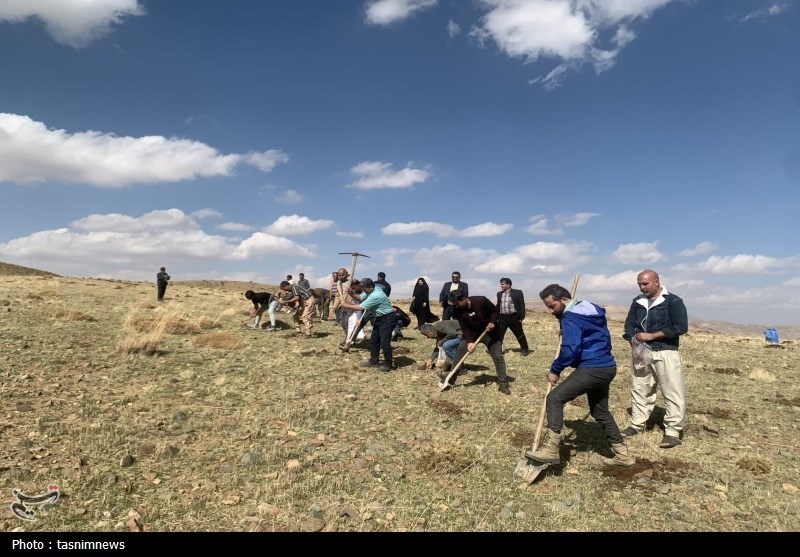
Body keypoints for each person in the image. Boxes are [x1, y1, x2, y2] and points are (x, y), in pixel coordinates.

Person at [525, 284, 634, 467]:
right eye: (547, 307)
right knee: (600, 411)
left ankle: (551, 450)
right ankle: (623, 456)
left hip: (592, 368)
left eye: (552, 306)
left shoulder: (570, 318)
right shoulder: (589, 309)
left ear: (564, 300)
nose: (550, 311)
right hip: (607, 366)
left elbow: (571, 350)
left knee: (554, 399)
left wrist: (555, 369)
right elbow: (587, 334)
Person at [621, 269, 689, 449]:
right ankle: (637, 424)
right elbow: (629, 323)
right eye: (639, 284)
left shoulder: (673, 301)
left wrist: (652, 336)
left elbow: (681, 326)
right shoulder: (638, 302)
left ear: (657, 282)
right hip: (641, 352)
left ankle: (673, 432)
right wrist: (631, 340)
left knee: (673, 390)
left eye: (645, 284)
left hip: (666, 350)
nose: (642, 287)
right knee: (640, 387)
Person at [446, 291, 510, 395]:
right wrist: (470, 342)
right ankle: (450, 378)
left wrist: (492, 322)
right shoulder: (457, 310)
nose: (457, 306)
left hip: (490, 332)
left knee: (498, 356)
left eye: (458, 303)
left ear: (464, 298)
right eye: (455, 304)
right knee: (460, 352)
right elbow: (464, 327)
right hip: (472, 333)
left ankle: (503, 382)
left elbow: (495, 311)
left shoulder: (481, 301)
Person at [339, 278, 398, 372]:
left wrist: (345, 305)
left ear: (370, 287)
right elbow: (360, 298)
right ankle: (374, 361)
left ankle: (388, 363)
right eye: (362, 288)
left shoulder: (376, 295)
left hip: (388, 319)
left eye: (364, 288)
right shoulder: (372, 290)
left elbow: (359, 307)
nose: (363, 290)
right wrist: (351, 293)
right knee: (374, 341)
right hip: (379, 318)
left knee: (384, 342)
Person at [496, 278, 530, 356]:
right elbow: (498, 305)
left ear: (508, 285)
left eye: (503, 284)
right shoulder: (499, 294)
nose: (501, 285)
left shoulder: (517, 292)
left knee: (519, 333)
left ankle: (525, 349)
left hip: (514, 317)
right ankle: (497, 350)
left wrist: (522, 317)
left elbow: (522, 304)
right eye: (501, 284)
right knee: (499, 334)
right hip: (502, 317)